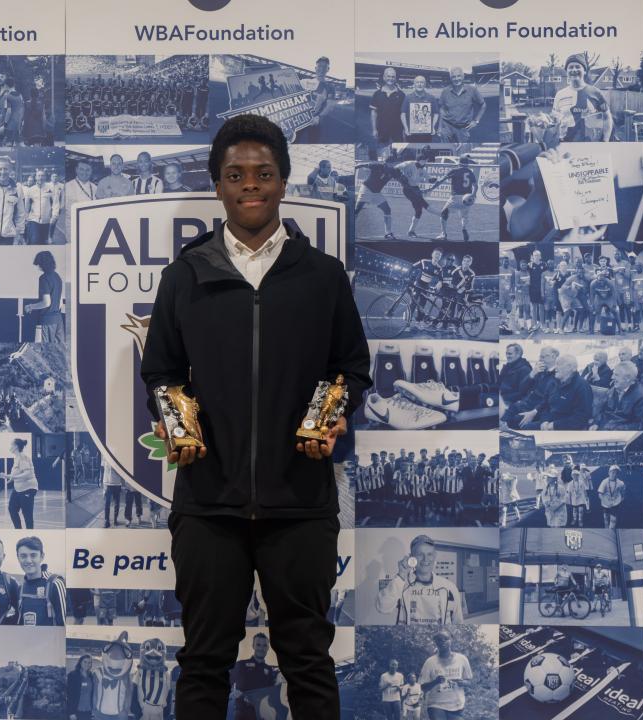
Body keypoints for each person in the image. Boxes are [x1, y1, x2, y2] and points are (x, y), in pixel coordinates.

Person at [139, 114, 371, 718]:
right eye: (235, 174)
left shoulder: (322, 277)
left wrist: (333, 412)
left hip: (300, 503)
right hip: (208, 505)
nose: (251, 185)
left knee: (308, 661)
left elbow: (352, 367)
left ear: (283, 181)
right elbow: (160, 373)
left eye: (263, 174)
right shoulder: (185, 276)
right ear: (217, 185)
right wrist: (174, 420)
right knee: (204, 660)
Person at [376, 534, 464, 624]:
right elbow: (383, 608)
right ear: (411, 557)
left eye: (429, 554)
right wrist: (401, 575)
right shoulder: (401, 583)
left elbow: (458, 622)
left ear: (434, 556)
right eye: (420, 554)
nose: (425, 559)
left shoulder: (449, 587)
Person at [521, 354, 593, 430]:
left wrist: (554, 425)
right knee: (521, 425)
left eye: (559, 364)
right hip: (548, 423)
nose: (555, 368)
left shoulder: (582, 386)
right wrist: (545, 421)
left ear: (571, 368)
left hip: (567, 429)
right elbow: (546, 405)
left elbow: (581, 417)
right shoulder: (554, 383)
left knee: (527, 431)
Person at [551, 53, 613, 142]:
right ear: (567, 71)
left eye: (577, 66)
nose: (574, 69)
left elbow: (607, 117)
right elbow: (555, 120)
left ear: (584, 71)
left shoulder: (596, 93)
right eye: (570, 67)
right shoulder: (559, 95)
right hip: (565, 143)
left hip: (591, 144)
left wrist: (606, 139)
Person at [419, 631, 472, 720]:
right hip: (436, 704)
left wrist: (462, 682)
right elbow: (423, 687)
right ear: (435, 642)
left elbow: (470, 682)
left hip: (457, 705)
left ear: (451, 640)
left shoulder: (462, 659)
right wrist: (435, 682)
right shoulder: (430, 662)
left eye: (445, 639)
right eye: (439, 640)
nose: (442, 642)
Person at [14, 536, 66, 625]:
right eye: (23, 556)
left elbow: (64, 626)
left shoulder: (55, 584)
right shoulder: (20, 589)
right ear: (18, 558)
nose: (28, 560)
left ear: (42, 557)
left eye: (33, 555)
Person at [229, 633, 279, 720]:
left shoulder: (270, 670)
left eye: (264, 645)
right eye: (258, 645)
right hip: (243, 713)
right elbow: (230, 682)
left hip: (262, 714)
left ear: (268, 648)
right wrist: (233, 692)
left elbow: (272, 693)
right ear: (253, 646)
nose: (261, 648)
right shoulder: (241, 664)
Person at [0, 438, 38, 529]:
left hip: (28, 488)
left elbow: (27, 473)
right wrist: (6, 476)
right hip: (18, 488)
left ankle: (29, 532)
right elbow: (17, 473)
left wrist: (12, 477)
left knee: (27, 514)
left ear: (15, 446)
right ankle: (18, 530)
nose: (10, 447)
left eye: (11, 445)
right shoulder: (17, 458)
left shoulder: (22, 457)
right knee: (12, 509)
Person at [590, 360, 643, 430]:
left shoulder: (641, 397)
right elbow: (603, 411)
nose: (612, 377)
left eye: (616, 375)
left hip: (622, 436)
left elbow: (639, 425)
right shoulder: (613, 390)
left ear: (627, 378)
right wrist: (596, 423)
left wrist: (614, 429)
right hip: (606, 429)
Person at [24, 251, 64, 343]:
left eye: (38, 264)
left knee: (44, 347)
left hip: (47, 321)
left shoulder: (44, 278)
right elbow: (60, 302)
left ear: (43, 264)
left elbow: (46, 302)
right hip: (58, 320)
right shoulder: (57, 277)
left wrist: (30, 306)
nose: (38, 267)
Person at [438, 67, 486, 143]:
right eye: (453, 77)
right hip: (447, 126)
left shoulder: (472, 90)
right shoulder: (445, 91)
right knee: (446, 147)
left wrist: (476, 121)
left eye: (458, 76)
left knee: (461, 149)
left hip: (463, 128)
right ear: (451, 78)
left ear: (463, 77)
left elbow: (483, 105)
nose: (456, 79)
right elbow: (442, 109)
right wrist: (440, 127)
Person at [370, 67, 405, 147]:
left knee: (399, 150)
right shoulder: (377, 94)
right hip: (382, 128)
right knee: (383, 150)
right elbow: (373, 112)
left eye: (393, 77)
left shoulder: (401, 95)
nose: (391, 79)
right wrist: (374, 129)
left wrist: (405, 129)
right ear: (384, 77)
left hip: (398, 129)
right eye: (388, 76)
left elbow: (404, 114)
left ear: (395, 79)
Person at [24, 169, 59, 245]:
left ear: (45, 177)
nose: (40, 178)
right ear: (36, 177)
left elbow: (55, 203)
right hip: (33, 220)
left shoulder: (51, 188)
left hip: (47, 220)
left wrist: (55, 215)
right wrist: (26, 218)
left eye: (42, 176)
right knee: (35, 241)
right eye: (39, 176)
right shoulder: (30, 190)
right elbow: (27, 206)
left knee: (43, 242)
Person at [401, 76, 439, 143]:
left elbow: (436, 113)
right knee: (412, 152)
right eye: (417, 82)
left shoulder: (431, 98)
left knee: (426, 152)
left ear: (425, 84)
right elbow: (403, 114)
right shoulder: (408, 98)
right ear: (414, 84)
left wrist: (433, 126)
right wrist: (406, 128)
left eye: (421, 82)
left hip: (426, 133)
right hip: (411, 133)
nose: (419, 84)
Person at [67, 655, 95, 720]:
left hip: (88, 710)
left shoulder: (90, 675)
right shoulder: (73, 675)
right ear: (80, 662)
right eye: (85, 662)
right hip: (76, 711)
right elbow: (69, 695)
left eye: (89, 662)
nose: (87, 664)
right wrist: (71, 712)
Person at [597, 465, 625, 529]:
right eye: (612, 472)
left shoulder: (620, 483)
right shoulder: (604, 482)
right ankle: (606, 527)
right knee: (606, 517)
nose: (614, 474)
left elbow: (623, 490)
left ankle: (611, 531)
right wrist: (606, 502)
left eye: (616, 473)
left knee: (613, 519)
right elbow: (600, 494)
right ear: (609, 473)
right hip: (605, 503)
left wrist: (622, 497)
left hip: (615, 503)